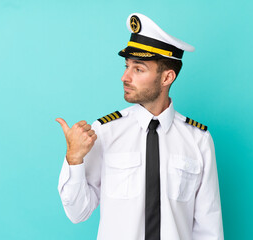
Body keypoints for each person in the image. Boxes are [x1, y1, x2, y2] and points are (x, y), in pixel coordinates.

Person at [56, 13, 224, 240]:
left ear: (167, 78)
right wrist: (74, 159)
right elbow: (78, 213)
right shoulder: (105, 131)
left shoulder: (198, 140)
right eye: (127, 66)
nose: (125, 77)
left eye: (138, 69)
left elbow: (208, 228)